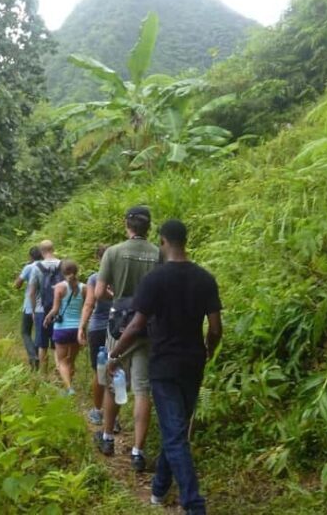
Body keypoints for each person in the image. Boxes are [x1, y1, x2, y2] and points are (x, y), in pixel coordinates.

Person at [107, 219, 222, 515]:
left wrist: (115, 354)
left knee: (174, 433)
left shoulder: (155, 280)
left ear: (163, 241)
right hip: (193, 362)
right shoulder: (205, 278)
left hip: (164, 365)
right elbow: (216, 327)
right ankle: (159, 489)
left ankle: (194, 504)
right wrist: (209, 348)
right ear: (185, 240)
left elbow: (136, 324)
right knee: (177, 429)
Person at [94, 206, 160, 472]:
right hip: (149, 326)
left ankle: (108, 437)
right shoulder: (159, 254)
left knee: (114, 381)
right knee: (143, 389)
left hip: (120, 325)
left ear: (127, 225)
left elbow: (99, 293)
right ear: (149, 227)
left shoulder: (113, 252)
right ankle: (137, 452)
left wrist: (118, 298)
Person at [78, 244, 112, 424]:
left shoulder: (94, 279)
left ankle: (98, 411)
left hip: (98, 328)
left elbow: (89, 304)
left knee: (99, 371)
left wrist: (81, 326)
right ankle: (113, 416)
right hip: (119, 328)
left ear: (99, 259)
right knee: (115, 371)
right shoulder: (121, 277)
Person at [44, 260, 86, 394]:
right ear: (77, 271)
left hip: (61, 328)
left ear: (62, 272)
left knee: (62, 361)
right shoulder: (84, 288)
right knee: (71, 360)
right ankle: (70, 384)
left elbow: (55, 309)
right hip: (77, 329)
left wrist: (47, 318)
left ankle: (69, 388)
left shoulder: (60, 287)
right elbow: (86, 307)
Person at [28, 240, 61, 373]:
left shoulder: (37, 267)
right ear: (53, 249)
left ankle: (44, 375)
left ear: (41, 252)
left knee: (42, 345)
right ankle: (60, 373)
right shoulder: (62, 265)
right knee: (57, 344)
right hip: (58, 310)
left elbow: (31, 292)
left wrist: (33, 310)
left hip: (41, 310)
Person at [14, 246, 43, 370]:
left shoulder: (29, 267)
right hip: (43, 306)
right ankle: (36, 359)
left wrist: (22, 271)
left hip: (29, 306)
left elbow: (17, 285)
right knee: (37, 333)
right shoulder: (45, 266)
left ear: (31, 256)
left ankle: (33, 356)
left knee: (25, 332)